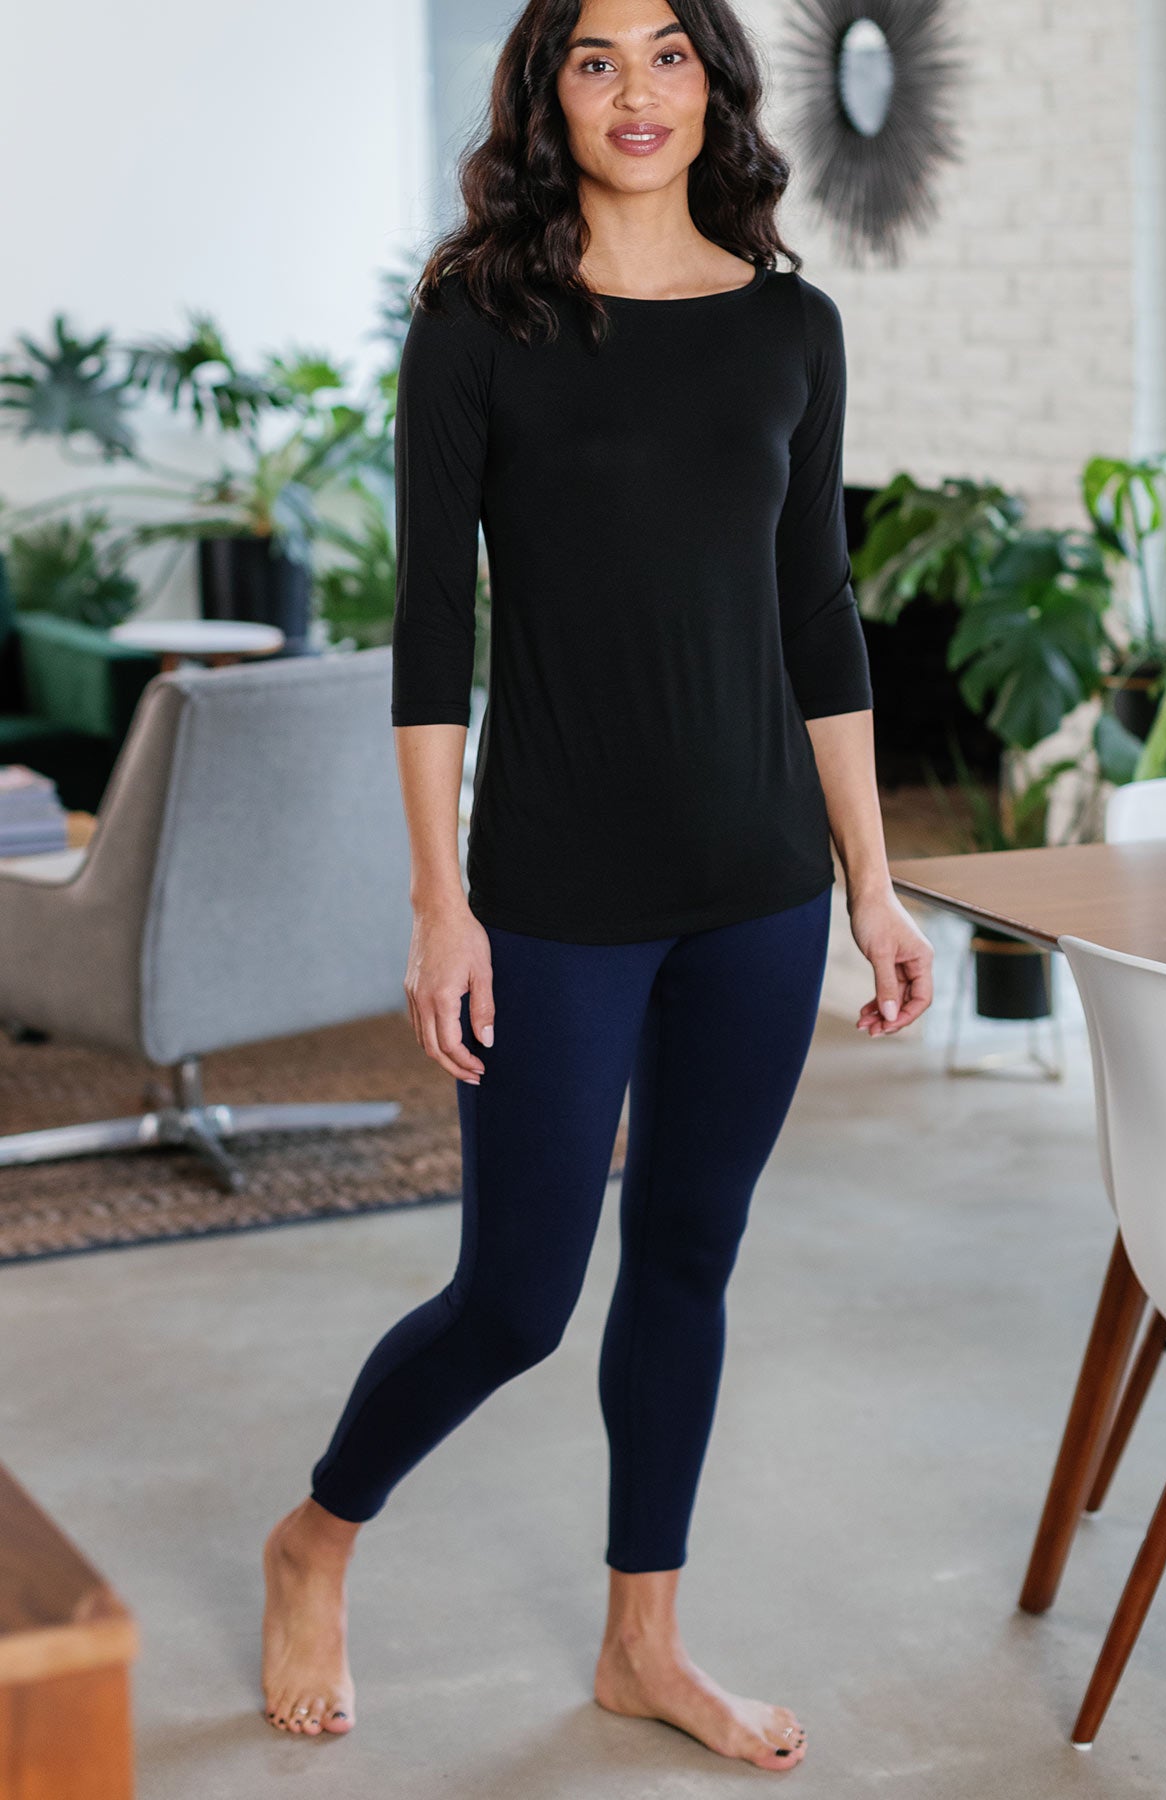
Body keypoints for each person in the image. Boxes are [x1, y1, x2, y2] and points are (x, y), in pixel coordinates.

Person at [260, 0, 934, 1771]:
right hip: (554, 888)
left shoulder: (793, 324)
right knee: (517, 1297)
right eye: (592, 58)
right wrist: (437, 899)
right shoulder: (479, 322)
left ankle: (647, 1641)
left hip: (760, 885)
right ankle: (317, 1532)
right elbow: (430, 634)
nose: (635, 91)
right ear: (546, 95)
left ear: (713, 81)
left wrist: (872, 883)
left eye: (666, 53)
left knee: (690, 1259)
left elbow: (819, 617)